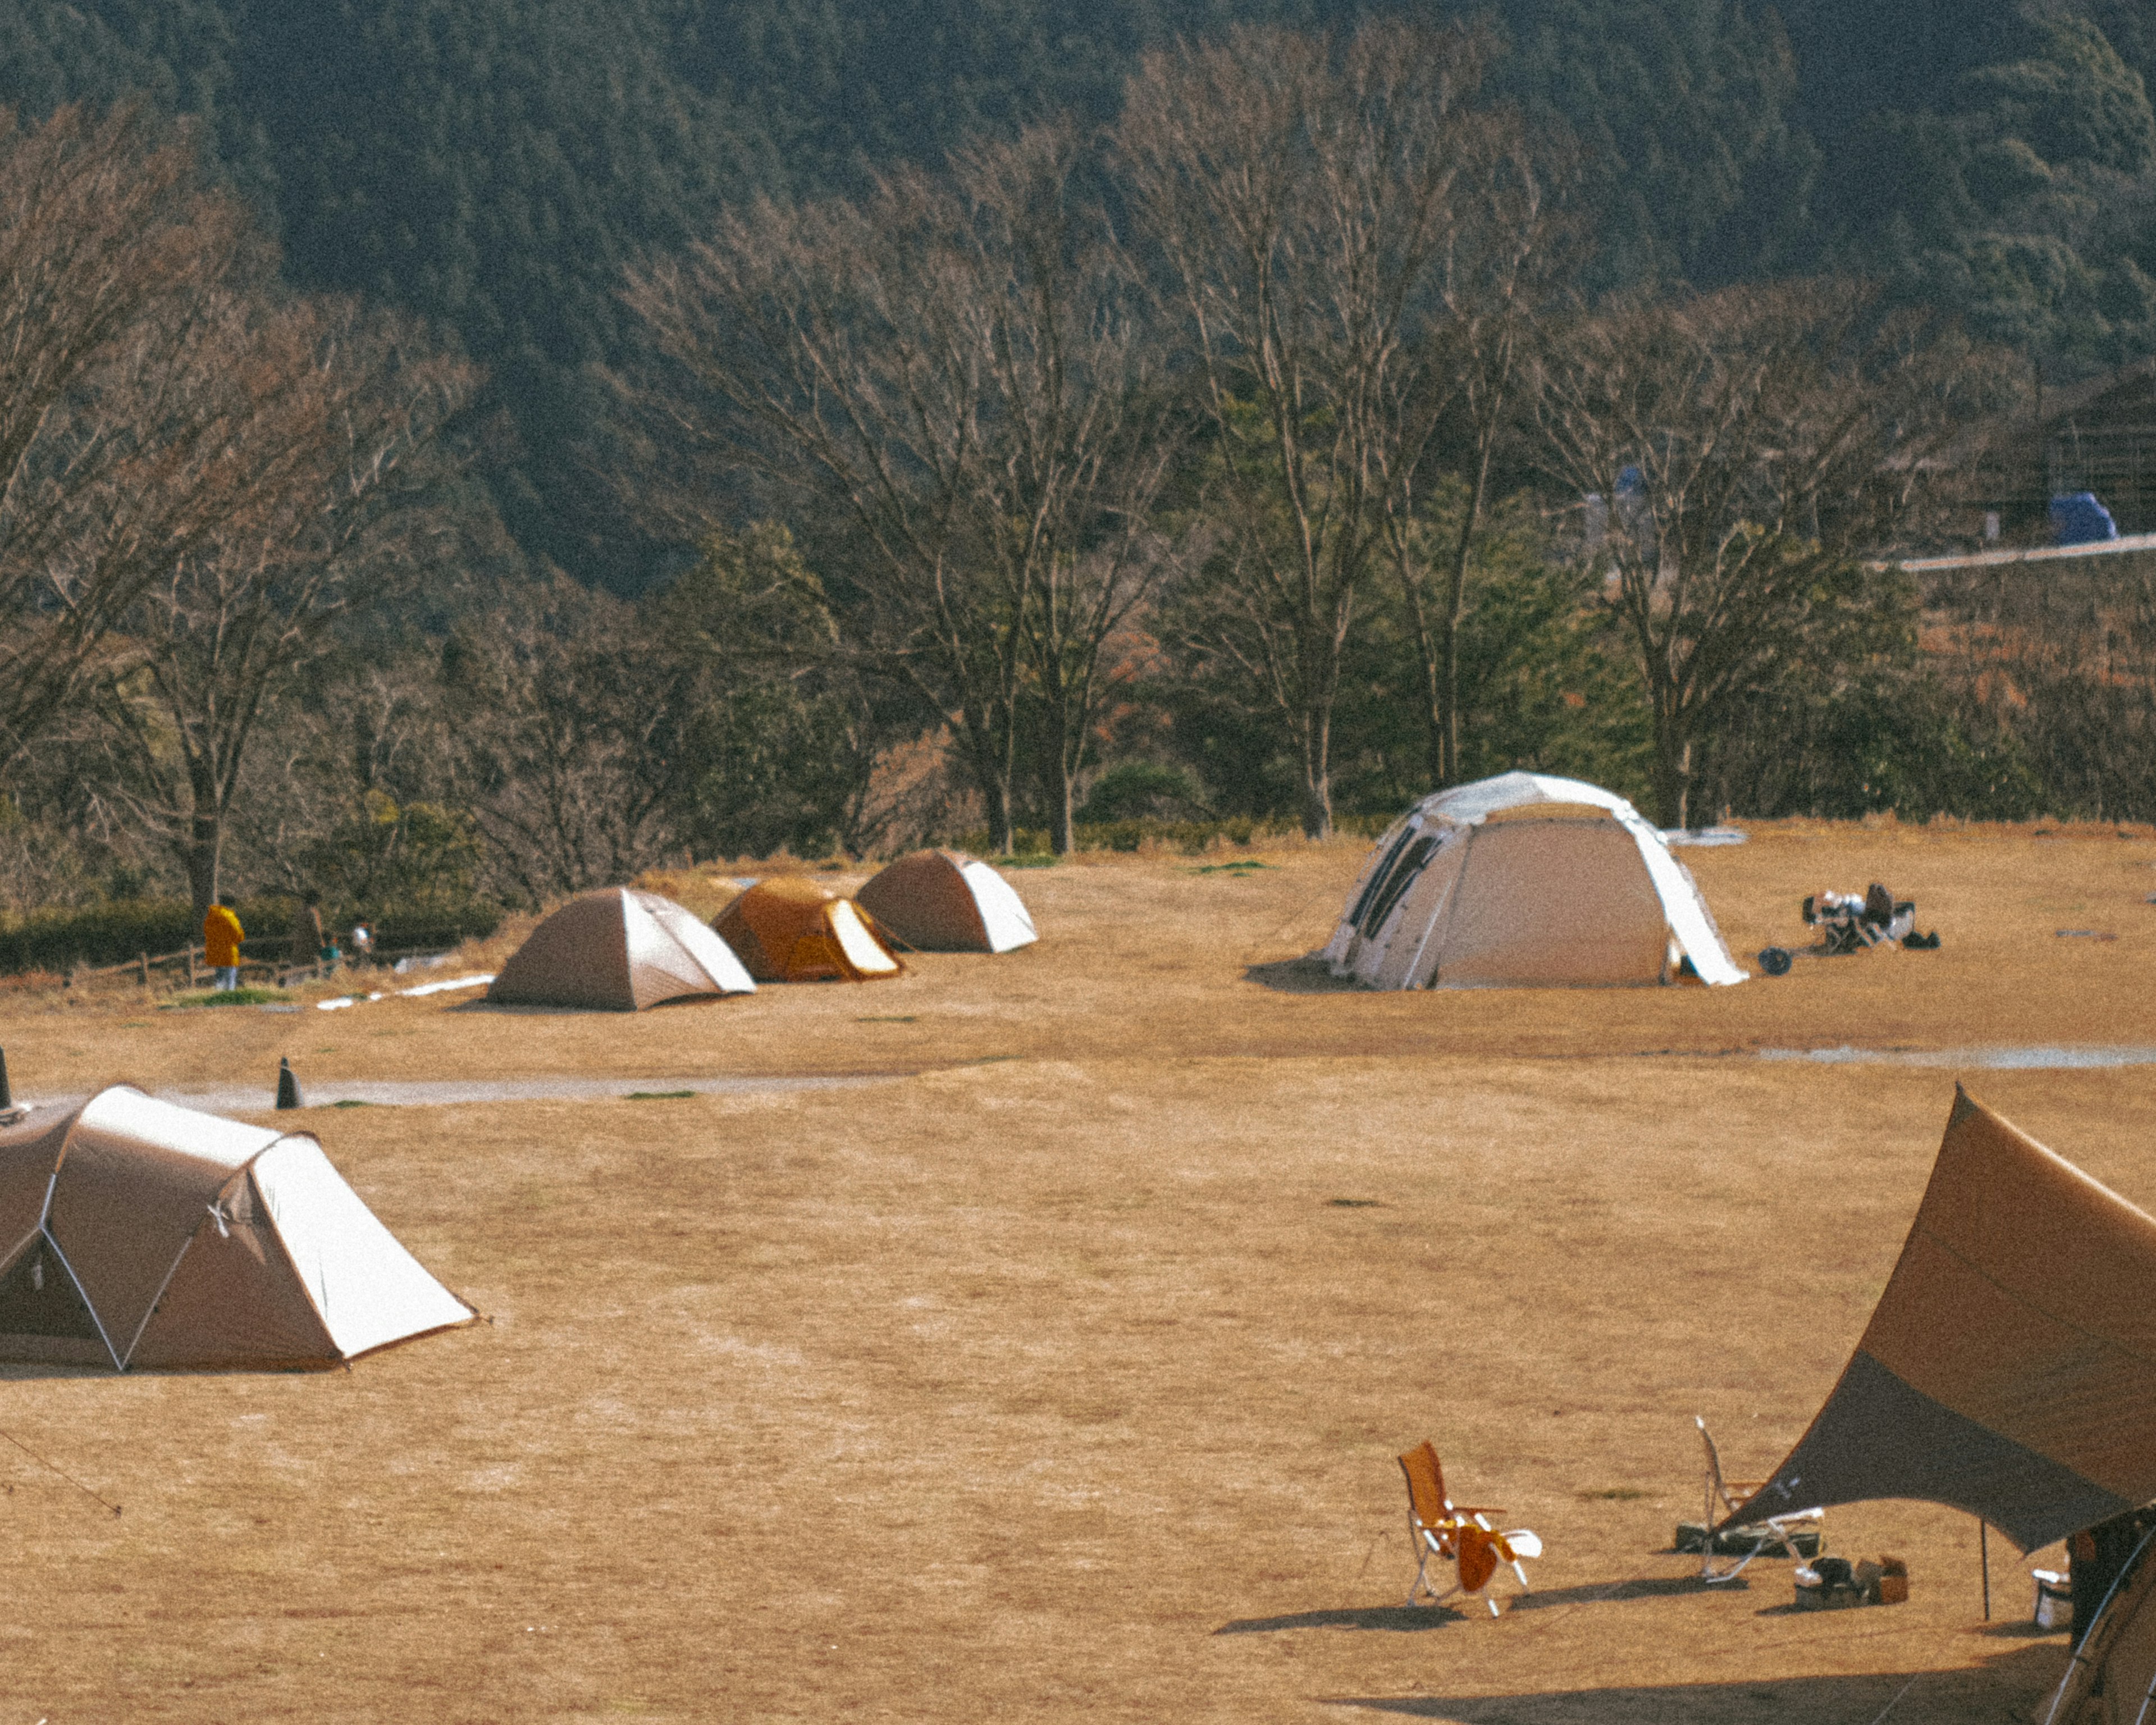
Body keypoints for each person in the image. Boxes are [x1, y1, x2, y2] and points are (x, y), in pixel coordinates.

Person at [203, 894, 245, 992]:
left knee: (220, 978)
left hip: (215, 951)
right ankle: (229, 1000)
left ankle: (219, 999)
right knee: (230, 977)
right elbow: (238, 934)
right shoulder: (229, 916)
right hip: (229, 952)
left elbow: (207, 932)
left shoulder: (211, 916)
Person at [291, 889, 326, 980]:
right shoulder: (313, 912)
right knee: (316, 969)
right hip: (311, 945)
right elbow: (316, 930)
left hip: (299, 943)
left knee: (300, 970)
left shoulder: (300, 911)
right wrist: (321, 944)